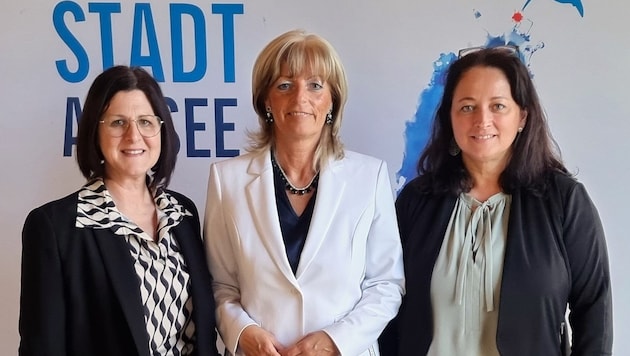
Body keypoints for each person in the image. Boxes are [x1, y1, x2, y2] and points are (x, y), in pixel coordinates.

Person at [379, 46, 613, 356]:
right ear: (450, 118)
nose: (482, 120)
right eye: (467, 107)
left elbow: (594, 310)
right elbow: (385, 302)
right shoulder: (415, 201)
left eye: (498, 106)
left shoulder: (564, 201)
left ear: (522, 117)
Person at [203, 29, 405, 356]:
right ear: (266, 100)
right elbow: (219, 285)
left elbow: (386, 285)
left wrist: (334, 341)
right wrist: (243, 331)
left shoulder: (370, 177)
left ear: (332, 100)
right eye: (284, 85)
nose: (300, 98)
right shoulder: (228, 181)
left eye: (315, 85)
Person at [19, 65, 219, 356]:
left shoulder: (182, 213)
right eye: (117, 123)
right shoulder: (54, 228)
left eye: (146, 122)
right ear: (94, 131)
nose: (134, 136)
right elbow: (43, 348)